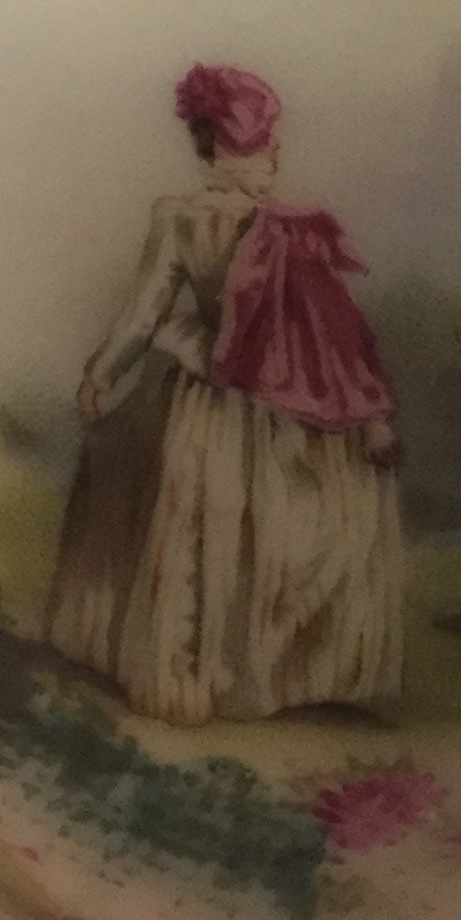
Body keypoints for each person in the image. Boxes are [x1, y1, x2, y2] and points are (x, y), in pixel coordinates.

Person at [48, 64, 404, 724]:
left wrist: (104, 372)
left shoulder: (190, 218)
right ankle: (254, 673)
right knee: (253, 528)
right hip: (270, 404)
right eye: (268, 138)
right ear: (244, 144)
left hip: (213, 403)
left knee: (213, 532)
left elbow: (146, 313)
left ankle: (205, 671)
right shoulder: (283, 226)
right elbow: (333, 338)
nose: (277, 151)